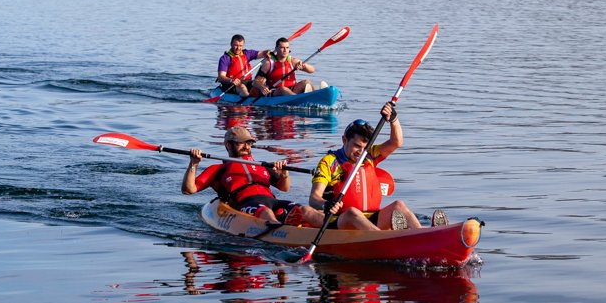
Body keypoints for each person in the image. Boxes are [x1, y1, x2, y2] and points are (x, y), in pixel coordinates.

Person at [309, 103, 435, 231]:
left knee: (399, 205)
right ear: (344, 140)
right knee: (353, 212)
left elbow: (396, 142)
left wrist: (393, 120)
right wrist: (326, 204)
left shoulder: (369, 155)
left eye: (365, 148)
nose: (361, 152)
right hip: (340, 219)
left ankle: (423, 234)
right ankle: (381, 239)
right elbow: (314, 198)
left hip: (370, 218)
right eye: (357, 146)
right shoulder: (329, 162)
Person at [183, 125, 326, 227]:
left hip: (272, 201)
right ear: (228, 145)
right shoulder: (219, 169)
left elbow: (284, 188)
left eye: (249, 143)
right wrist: (193, 164)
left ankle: (333, 228)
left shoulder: (263, 165)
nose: (247, 147)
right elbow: (189, 189)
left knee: (306, 210)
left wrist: (284, 174)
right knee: (265, 212)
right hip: (246, 204)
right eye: (241, 143)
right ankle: (282, 231)